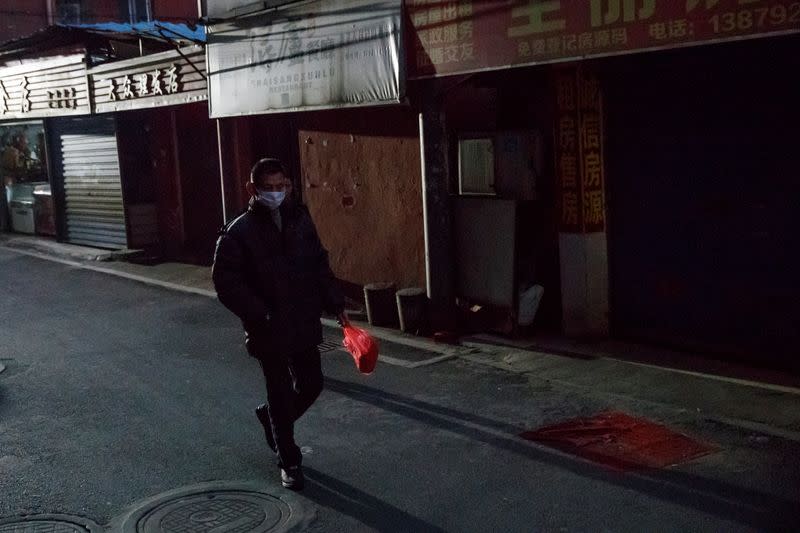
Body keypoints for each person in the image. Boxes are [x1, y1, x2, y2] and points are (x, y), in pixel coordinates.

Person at [212, 157, 346, 490]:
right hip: (268, 328)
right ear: (252, 189)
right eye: (268, 188)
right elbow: (226, 283)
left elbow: (318, 262)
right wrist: (261, 313)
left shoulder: (300, 219)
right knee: (280, 392)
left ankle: (271, 419)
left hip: (302, 320)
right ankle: (289, 460)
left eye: (281, 187)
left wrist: (335, 302)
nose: (276, 194)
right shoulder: (238, 232)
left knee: (312, 384)